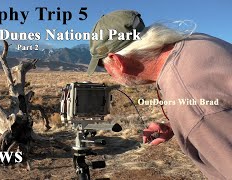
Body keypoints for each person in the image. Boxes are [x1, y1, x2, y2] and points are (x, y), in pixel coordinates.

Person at [87, 10, 232, 179]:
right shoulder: (195, 43)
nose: (108, 74)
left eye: (102, 65)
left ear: (117, 61)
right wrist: (176, 125)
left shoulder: (188, 98)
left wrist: (188, 118)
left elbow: (202, 110)